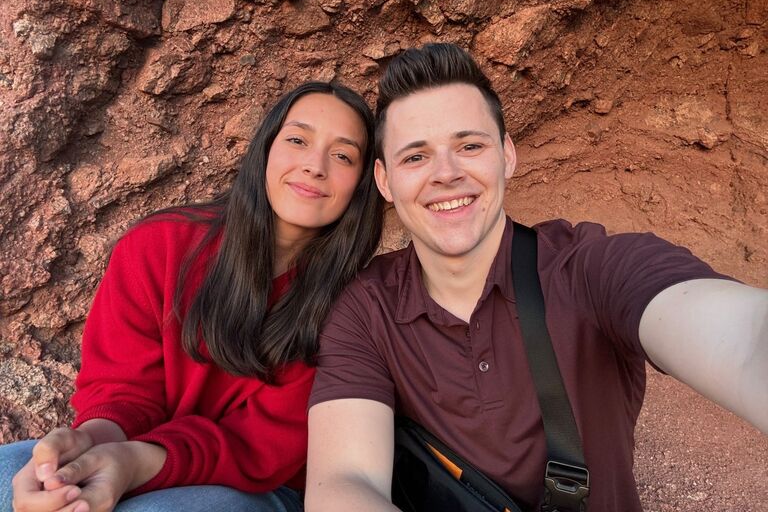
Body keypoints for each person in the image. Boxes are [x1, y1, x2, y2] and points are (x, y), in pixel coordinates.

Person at [304, 44, 768, 512]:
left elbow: (746, 341)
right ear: (384, 181)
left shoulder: (587, 270)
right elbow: (345, 481)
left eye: (469, 146)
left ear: (506, 156)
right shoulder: (367, 307)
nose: (445, 174)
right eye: (415, 157)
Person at [1, 81, 383, 512]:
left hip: (258, 486)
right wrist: (90, 441)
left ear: (364, 184)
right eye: (297, 140)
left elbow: (260, 447)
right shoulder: (158, 246)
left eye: (343, 155)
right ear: (266, 150)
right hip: (134, 450)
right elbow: (122, 390)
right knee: (10, 473)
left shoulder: (353, 304)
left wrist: (132, 463)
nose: (315, 165)